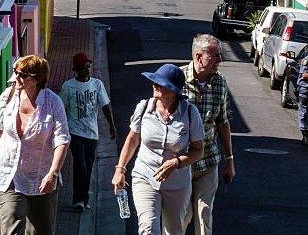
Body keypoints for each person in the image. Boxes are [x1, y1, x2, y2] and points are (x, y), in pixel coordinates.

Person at [0, 56, 69, 235]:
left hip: (40, 176)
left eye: (23, 74)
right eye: (16, 73)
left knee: (40, 231)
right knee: (11, 226)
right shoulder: (8, 96)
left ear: (37, 78)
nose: (17, 77)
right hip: (8, 174)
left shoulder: (53, 103)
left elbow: (62, 140)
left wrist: (53, 173)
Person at [112, 64, 204, 235]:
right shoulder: (144, 107)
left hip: (177, 184)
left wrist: (176, 163)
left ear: (173, 90)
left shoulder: (191, 113)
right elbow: (132, 140)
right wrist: (120, 169)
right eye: (154, 81)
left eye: (160, 83)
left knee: (174, 231)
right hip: (145, 176)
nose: (154, 85)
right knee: (147, 228)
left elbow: (198, 151)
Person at [181, 34, 234, 235]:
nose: (220, 61)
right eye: (215, 56)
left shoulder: (220, 82)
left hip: (208, 161)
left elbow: (223, 122)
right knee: (182, 216)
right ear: (198, 56)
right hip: (182, 163)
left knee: (204, 216)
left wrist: (229, 160)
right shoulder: (177, 80)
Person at [58, 52, 116, 211]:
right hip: (75, 132)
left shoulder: (97, 84)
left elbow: (105, 106)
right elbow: (61, 109)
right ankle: (78, 200)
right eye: (84, 67)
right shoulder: (68, 86)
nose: (87, 70)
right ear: (76, 70)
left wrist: (112, 125)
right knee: (80, 166)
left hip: (92, 134)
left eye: (88, 66)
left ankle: (84, 199)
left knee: (88, 167)